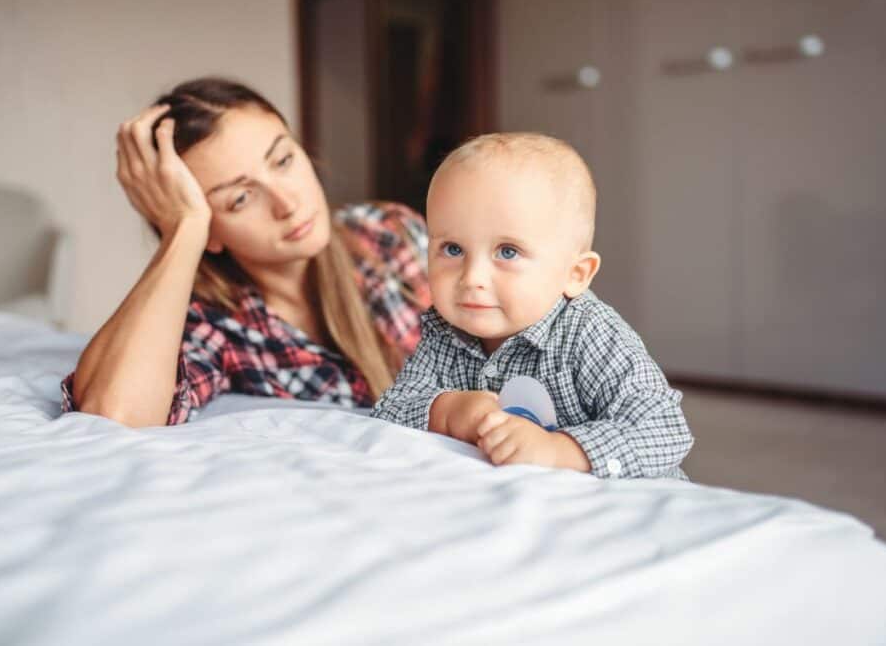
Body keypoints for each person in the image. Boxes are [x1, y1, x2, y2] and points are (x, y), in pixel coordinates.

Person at [63, 78, 431, 427]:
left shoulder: (388, 232)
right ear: (210, 231)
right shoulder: (218, 326)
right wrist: (184, 227)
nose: (287, 204)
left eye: (283, 160)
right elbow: (113, 412)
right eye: (240, 198)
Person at [371, 133, 693, 479]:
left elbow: (663, 427)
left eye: (507, 251)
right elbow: (390, 412)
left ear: (575, 274)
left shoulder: (589, 332)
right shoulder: (443, 333)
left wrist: (559, 450)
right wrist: (448, 411)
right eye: (452, 249)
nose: (472, 277)